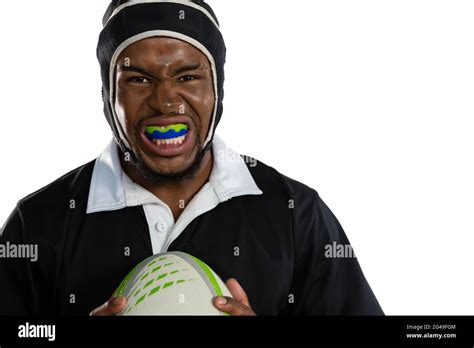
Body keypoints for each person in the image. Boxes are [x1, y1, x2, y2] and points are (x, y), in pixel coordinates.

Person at [0, 0, 383, 316]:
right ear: (107, 95)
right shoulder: (38, 224)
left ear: (217, 88)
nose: (165, 101)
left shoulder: (295, 215)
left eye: (187, 77)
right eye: (138, 79)